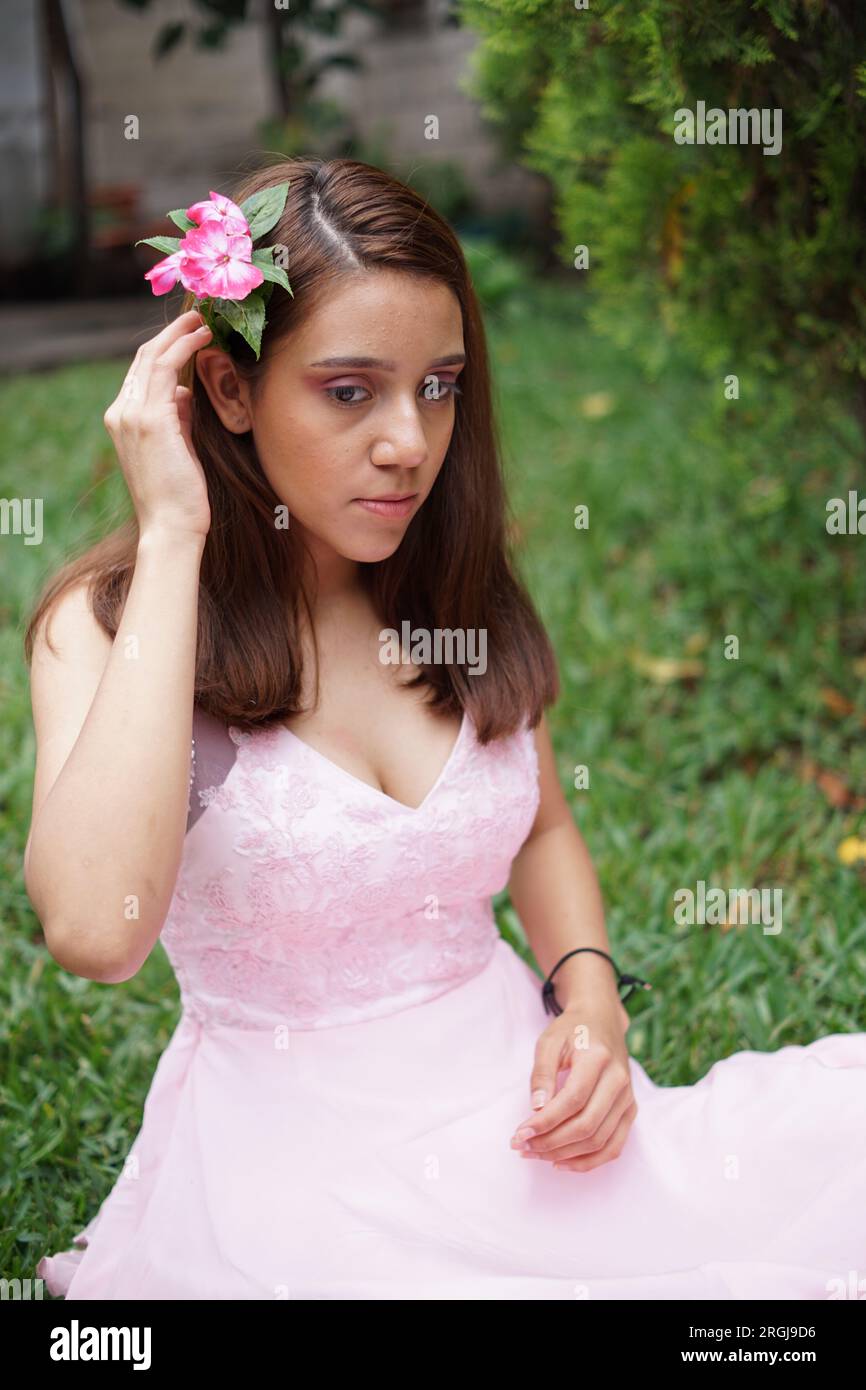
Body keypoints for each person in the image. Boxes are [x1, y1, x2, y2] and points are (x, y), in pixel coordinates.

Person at [24, 157, 866, 1301]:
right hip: (299, 1175)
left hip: (525, 1123)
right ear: (226, 391)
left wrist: (592, 1006)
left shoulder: (445, 585)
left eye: (439, 385)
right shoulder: (113, 624)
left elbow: (539, 830)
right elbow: (92, 930)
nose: (410, 442)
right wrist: (175, 533)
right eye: (348, 390)